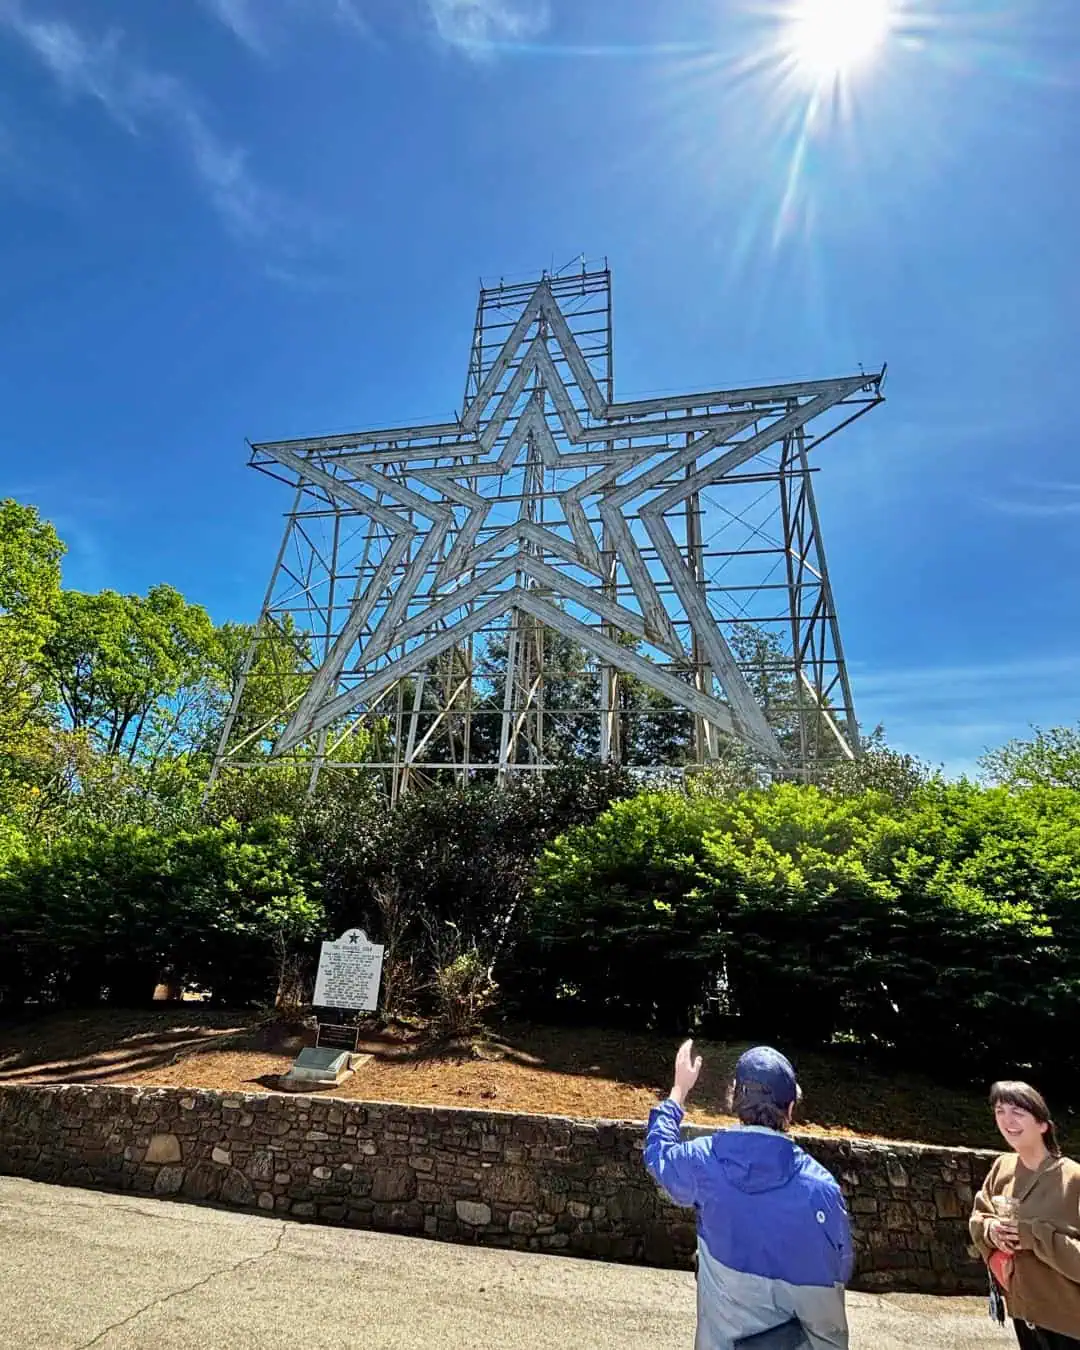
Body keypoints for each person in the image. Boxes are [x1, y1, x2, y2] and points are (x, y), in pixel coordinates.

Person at [644, 1040, 852, 1350]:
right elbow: (842, 1266)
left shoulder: (703, 1162)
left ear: (733, 1100)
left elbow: (659, 1155)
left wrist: (679, 1091)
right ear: (790, 1108)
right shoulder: (822, 1190)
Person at [970, 1080, 1080, 1349]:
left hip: (1071, 1324)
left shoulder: (1074, 1179)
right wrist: (992, 1232)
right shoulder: (1002, 1167)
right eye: (1000, 1111)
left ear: (1043, 1124)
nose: (1007, 1120)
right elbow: (979, 1218)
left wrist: (1032, 1235)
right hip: (1024, 1315)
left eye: (1018, 1112)